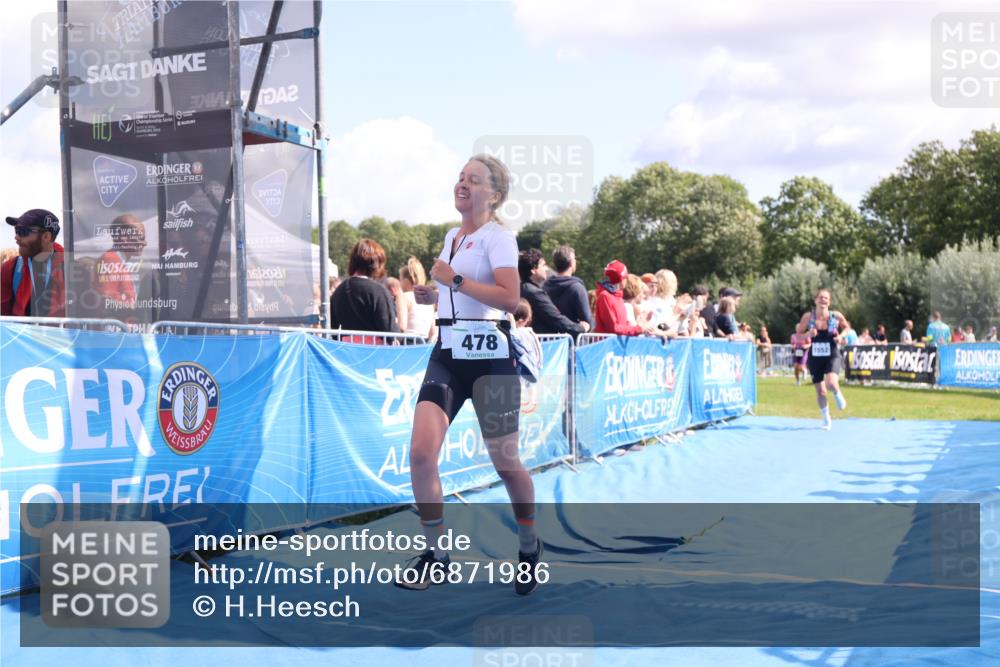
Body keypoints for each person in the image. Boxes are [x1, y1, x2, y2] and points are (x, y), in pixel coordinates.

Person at [398, 155, 542, 595]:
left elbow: (510, 299)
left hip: (491, 357)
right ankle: (437, 555)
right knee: (422, 454)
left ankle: (529, 543)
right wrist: (431, 290)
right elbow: (446, 286)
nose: (462, 184)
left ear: (494, 195)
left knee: (506, 463)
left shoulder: (500, 238)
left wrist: (454, 280)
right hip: (446, 354)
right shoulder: (451, 236)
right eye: (460, 177)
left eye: (473, 180)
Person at [796, 287, 849, 430]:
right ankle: (826, 419)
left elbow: (847, 327)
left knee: (831, 383)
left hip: (832, 353)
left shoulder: (835, 316)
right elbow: (798, 335)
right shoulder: (808, 317)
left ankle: (838, 394)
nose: (823, 300)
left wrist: (841, 336)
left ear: (829, 302)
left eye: (826, 298)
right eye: (820, 297)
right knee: (821, 391)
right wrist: (808, 335)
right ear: (816, 300)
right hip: (815, 357)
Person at [329, 239, 400, 339]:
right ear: (377, 263)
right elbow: (390, 332)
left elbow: (333, 327)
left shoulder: (338, 291)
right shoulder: (378, 291)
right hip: (375, 351)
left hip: (346, 350)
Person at [1, 209, 66, 317]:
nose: (16, 237)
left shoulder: (73, 268)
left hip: (59, 334)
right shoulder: (9, 269)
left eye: (23, 232)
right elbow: (2, 319)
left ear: (46, 236)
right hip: (19, 334)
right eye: (16, 231)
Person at [518, 248, 589, 336]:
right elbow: (556, 319)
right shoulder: (534, 293)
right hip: (544, 345)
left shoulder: (522, 288)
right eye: (543, 265)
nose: (546, 268)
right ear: (533, 270)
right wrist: (580, 328)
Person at [594, 260, 664, 337]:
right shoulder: (605, 296)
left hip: (617, 345)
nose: (627, 280)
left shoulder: (618, 296)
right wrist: (638, 329)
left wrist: (641, 326)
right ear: (621, 278)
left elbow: (623, 324)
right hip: (606, 346)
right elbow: (614, 328)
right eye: (626, 277)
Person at [95, 214, 147, 313]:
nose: (145, 243)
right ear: (124, 239)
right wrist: (135, 309)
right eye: (141, 238)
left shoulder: (117, 260)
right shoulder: (110, 260)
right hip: (117, 325)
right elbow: (107, 302)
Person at [542, 245, 594, 333]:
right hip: (574, 341)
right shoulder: (577, 288)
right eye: (575, 259)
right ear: (571, 263)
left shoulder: (544, 287)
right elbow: (587, 320)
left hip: (550, 342)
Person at [398, 257, 436, 340]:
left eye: (400, 279)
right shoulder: (428, 302)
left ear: (406, 280)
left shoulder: (404, 297)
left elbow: (402, 327)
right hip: (423, 346)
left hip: (406, 344)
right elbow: (433, 333)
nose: (399, 283)